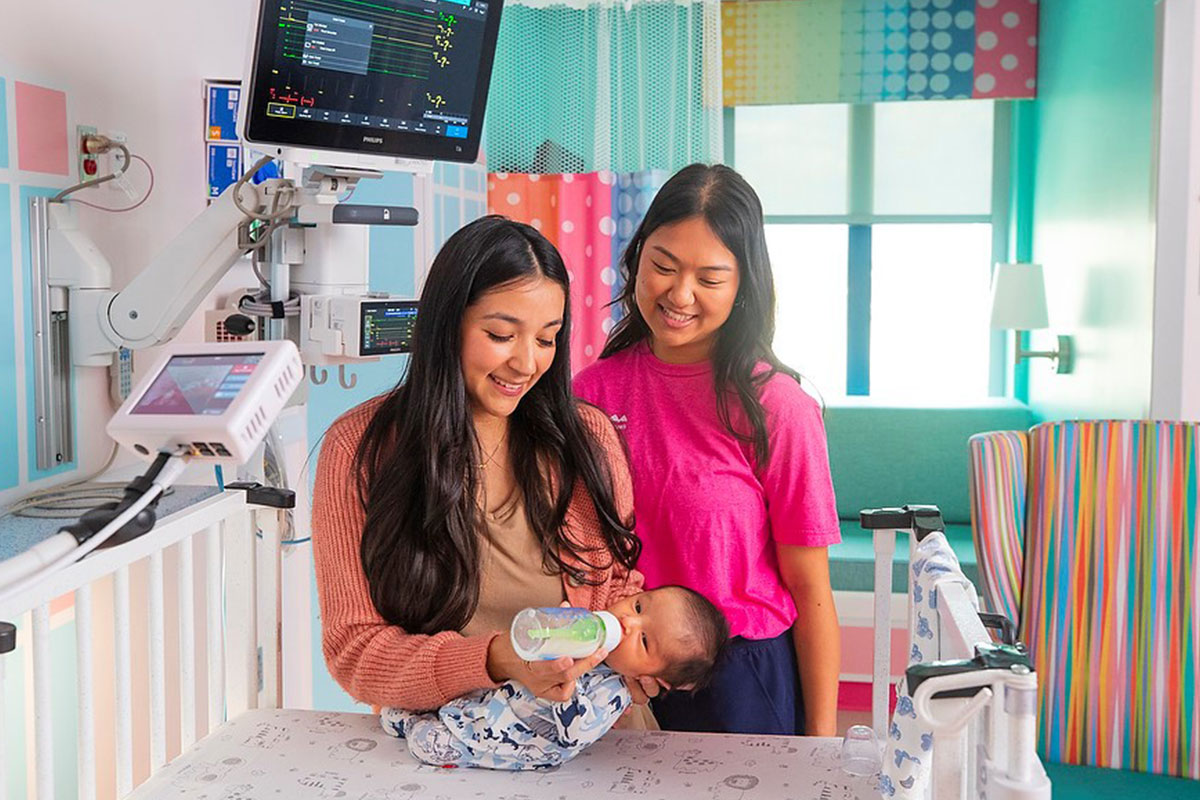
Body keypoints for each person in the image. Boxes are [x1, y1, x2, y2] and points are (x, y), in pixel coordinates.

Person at [312, 215, 660, 714]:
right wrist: (498, 657)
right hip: (446, 749)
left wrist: (640, 651)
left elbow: (620, 589)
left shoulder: (586, 439)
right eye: (501, 334)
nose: (526, 363)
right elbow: (356, 650)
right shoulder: (360, 448)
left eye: (546, 339)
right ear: (445, 323)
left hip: (590, 735)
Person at [574, 164, 842, 736]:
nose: (680, 294)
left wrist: (821, 748)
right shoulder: (590, 394)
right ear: (637, 257)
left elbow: (811, 589)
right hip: (614, 672)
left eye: (710, 277)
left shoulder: (777, 406)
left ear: (744, 284)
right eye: (663, 266)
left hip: (741, 675)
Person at [381, 586, 729, 769]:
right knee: (471, 706)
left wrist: (570, 683)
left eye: (644, 641)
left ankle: (423, 731)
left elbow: (576, 733)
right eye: (638, 607)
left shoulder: (613, 692)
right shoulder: (592, 637)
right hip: (503, 704)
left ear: (650, 678)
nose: (627, 622)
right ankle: (425, 717)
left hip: (519, 745)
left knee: (436, 743)